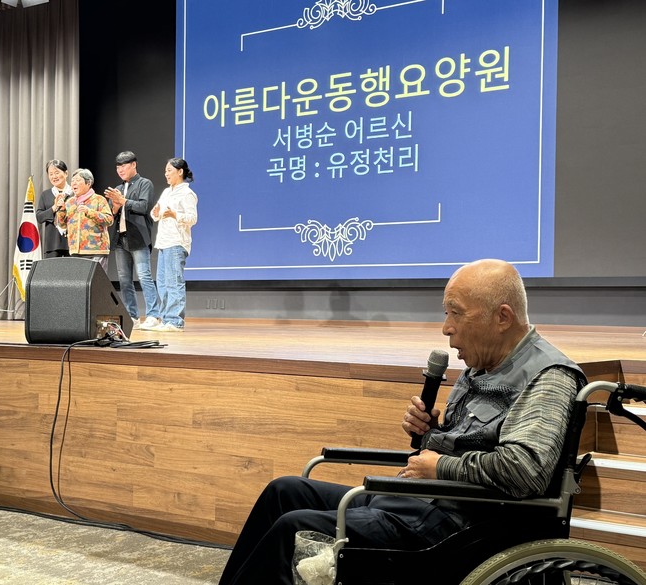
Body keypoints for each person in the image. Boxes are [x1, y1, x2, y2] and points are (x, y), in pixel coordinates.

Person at [217, 259, 587, 585]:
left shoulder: (548, 376)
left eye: (456, 314)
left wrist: (439, 466)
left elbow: (525, 471)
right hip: (416, 503)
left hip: (457, 527)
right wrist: (431, 434)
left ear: (502, 317)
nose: (446, 328)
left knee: (295, 527)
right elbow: (467, 443)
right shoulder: (481, 365)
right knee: (283, 491)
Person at [103, 151, 160, 331]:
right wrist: (114, 206)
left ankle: (153, 314)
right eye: (118, 167)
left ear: (134, 165)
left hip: (138, 237)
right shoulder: (118, 189)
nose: (120, 170)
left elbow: (144, 206)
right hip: (121, 238)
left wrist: (124, 201)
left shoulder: (144, 183)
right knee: (124, 280)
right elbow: (111, 216)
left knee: (144, 276)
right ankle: (132, 316)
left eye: (124, 166)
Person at [143, 158, 198, 332]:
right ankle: (166, 318)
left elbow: (193, 218)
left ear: (180, 172)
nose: (166, 174)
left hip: (177, 241)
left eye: (169, 170)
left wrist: (175, 214)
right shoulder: (167, 192)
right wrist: (155, 213)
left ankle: (175, 321)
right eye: (165, 171)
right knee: (163, 283)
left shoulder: (187, 193)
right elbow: (156, 214)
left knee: (174, 282)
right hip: (164, 241)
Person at [56, 168, 113, 271]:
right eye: (72, 181)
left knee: (97, 280)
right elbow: (62, 225)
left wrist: (89, 212)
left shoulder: (99, 199)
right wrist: (61, 210)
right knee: (78, 281)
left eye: (78, 180)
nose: (74, 183)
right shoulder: (69, 202)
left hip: (96, 250)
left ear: (88, 183)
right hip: (75, 251)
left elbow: (109, 220)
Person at [35, 159, 72, 258]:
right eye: (50, 174)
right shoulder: (45, 194)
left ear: (66, 173)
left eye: (57, 173)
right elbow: (39, 217)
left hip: (72, 243)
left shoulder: (74, 193)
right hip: (52, 244)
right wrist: (54, 208)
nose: (54, 176)